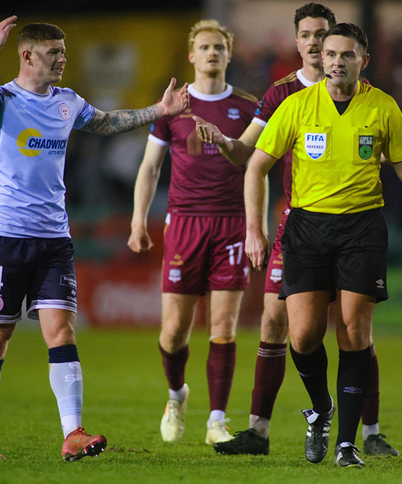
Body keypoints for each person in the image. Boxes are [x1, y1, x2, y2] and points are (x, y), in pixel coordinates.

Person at [0, 17, 189, 461]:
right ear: (27, 55)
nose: (63, 60)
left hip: (55, 239)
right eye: (54, 53)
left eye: (64, 52)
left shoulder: (67, 102)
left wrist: (159, 111)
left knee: (62, 331)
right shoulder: (2, 100)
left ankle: (73, 434)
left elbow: (106, 123)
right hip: (6, 236)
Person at [245, 23, 402, 468]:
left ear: (362, 61)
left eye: (346, 54)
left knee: (354, 332)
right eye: (330, 53)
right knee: (304, 335)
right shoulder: (295, 105)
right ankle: (321, 409)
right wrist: (254, 228)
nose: (335, 61)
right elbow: (256, 167)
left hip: (361, 230)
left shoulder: (382, 106)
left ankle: (347, 444)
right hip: (307, 228)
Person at [196, 3, 401, 458]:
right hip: (300, 224)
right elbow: (248, 158)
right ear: (298, 42)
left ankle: (367, 432)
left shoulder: (371, 99)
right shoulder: (282, 95)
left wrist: (398, 153)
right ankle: (260, 431)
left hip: (354, 222)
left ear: (343, 46)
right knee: (281, 324)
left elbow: (371, 156)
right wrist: (225, 143)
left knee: (355, 328)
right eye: (307, 35)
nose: (315, 43)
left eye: (323, 35)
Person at [127, 19, 257, 446]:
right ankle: (176, 394)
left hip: (232, 223)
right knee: (173, 333)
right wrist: (137, 221)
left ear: (229, 53)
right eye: (204, 47)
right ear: (191, 55)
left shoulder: (247, 106)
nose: (212, 53)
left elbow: (257, 166)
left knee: (223, 326)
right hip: (184, 223)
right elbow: (150, 168)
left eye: (219, 46)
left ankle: (216, 420)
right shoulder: (173, 107)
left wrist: (256, 225)